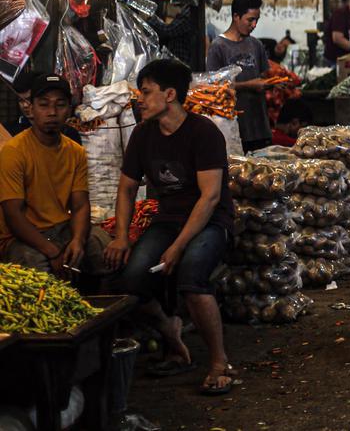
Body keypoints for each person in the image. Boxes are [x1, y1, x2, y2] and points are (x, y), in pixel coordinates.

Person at [105, 59, 237, 395]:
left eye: (146, 92)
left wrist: (178, 246)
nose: (140, 100)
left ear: (170, 94)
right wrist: (121, 237)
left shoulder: (203, 132)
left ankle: (219, 362)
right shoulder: (142, 134)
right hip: (167, 221)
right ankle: (173, 335)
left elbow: (210, 197)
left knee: (191, 276)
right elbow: (126, 189)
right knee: (130, 281)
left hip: (210, 221)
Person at [0, 74, 107, 276]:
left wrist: (77, 240)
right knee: (35, 266)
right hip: (23, 236)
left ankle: (107, 295)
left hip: (62, 227)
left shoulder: (75, 151)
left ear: (69, 109)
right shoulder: (14, 151)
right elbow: (13, 215)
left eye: (60, 105)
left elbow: (80, 205)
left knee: (100, 243)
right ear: (31, 108)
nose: (52, 112)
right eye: (44, 105)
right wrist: (52, 251)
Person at [206, 0, 272, 153]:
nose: (254, 25)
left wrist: (274, 83)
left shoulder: (256, 45)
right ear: (236, 16)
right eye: (250, 20)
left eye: (257, 20)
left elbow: (265, 76)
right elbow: (214, 87)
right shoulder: (218, 47)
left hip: (259, 126)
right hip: (233, 127)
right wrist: (248, 85)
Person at [4, 71, 81, 144]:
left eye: (29, 99)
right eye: (21, 100)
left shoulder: (71, 135)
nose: (25, 105)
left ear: (69, 110)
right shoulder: (8, 132)